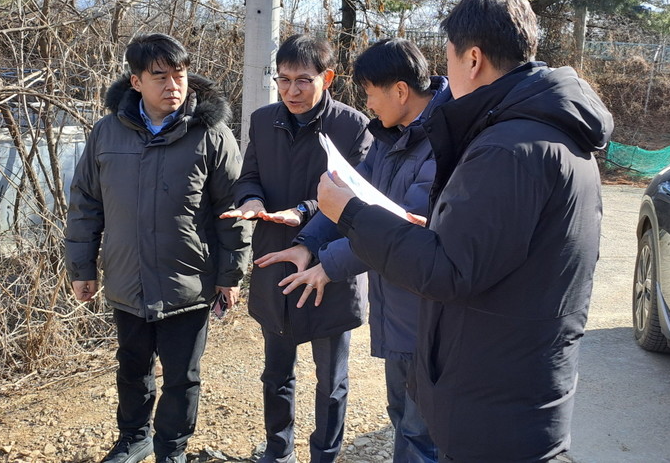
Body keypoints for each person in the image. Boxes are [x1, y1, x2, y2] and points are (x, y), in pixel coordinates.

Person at [316, 0, 614, 462]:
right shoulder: (543, 135)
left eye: (450, 57)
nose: (445, 72)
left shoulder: (509, 149)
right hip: (517, 383)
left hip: (497, 403)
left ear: (472, 59)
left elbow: (449, 270)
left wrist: (349, 214)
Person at [256, 38, 451, 462]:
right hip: (397, 304)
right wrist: (307, 245)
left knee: (421, 431)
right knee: (404, 419)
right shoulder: (391, 135)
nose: (368, 104)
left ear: (400, 91)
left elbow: (402, 228)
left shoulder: (441, 142)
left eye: (370, 93)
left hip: (428, 308)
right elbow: (350, 194)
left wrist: (328, 266)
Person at [65, 33, 251, 463]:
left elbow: (233, 211)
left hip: (188, 282)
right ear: (136, 82)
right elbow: (86, 203)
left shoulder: (211, 135)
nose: (173, 86)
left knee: (182, 377)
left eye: (179, 75)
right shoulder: (107, 132)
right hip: (127, 279)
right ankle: (134, 438)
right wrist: (81, 267)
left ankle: (172, 449)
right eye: (160, 76)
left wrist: (230, 276)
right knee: (132, 368)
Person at [220, 34, 372, 463]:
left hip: (331, 264)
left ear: (328, 77)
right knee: (276, 373)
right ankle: (278, 449)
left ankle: (325, 454)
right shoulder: (263, 120)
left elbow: (356, 196)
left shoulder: (353, 126)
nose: (291, 91)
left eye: (303, 80)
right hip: (275, 260)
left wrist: (303, 211)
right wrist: (251, 200)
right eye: (283, 80)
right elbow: (249, 176)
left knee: (331, 381)